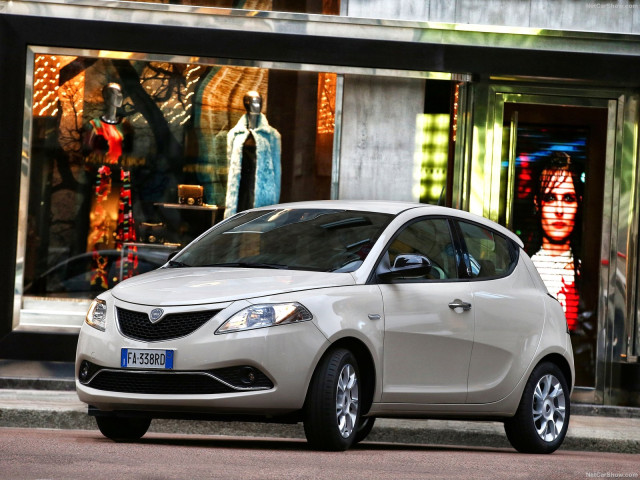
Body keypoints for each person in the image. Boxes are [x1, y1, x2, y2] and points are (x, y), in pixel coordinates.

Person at [85, 83, 137, 289]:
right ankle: (97, 275)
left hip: (120, 183)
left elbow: (132, 156)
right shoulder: (94, 125)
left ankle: (118, 275)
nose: (119, 97)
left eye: (121, 93)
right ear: (106, 97)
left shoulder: (126, 127)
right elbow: (87, 157)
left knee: (120, 227)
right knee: (99, 227)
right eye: (115, 94)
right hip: (100, 186)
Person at [530, 152, 582, 330]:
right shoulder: (525, 270)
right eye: (550, 198)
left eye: (568, 198)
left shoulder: (588, 273)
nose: (559, 210)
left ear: (578, 204)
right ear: (538, 204)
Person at [224, 90, 281, 217]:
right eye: (253, 101)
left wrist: (275, 204)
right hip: (240, 190)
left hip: (262, 192)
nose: (257, 105)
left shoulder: (272, 136)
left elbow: (277, 172)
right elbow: (230, 169)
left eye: (259, 101)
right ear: (246, 104)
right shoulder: (234, 134)